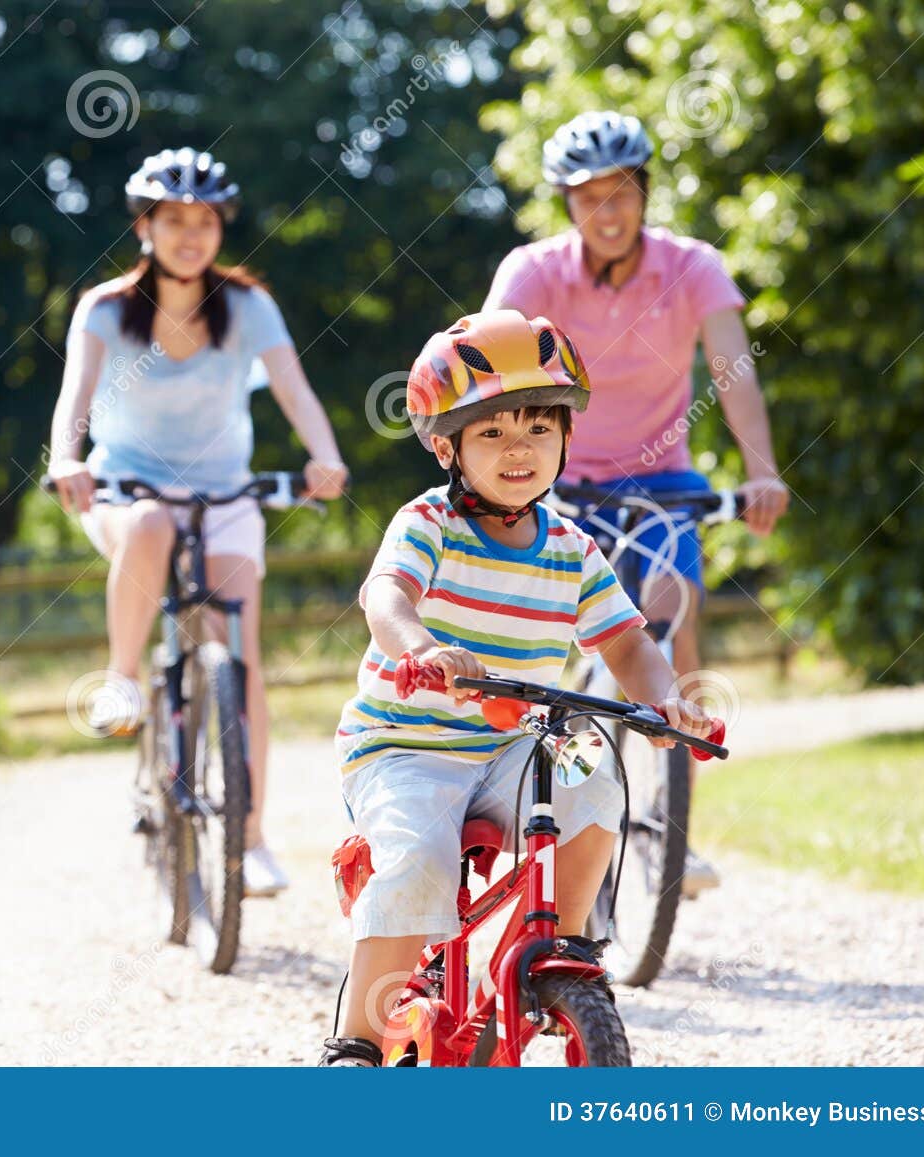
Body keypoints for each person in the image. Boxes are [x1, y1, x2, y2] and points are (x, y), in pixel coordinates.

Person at [317, 310, 713, 1066]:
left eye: (538, 427)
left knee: (595, 772)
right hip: (407, 746)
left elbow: (629, 641)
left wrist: (663, 698)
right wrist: (424, 647)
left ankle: (557, 947)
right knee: (417, 860)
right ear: (447, 447)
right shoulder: (427, 522)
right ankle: (357, 1043)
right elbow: (385, 598)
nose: (519, 448)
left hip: (511, 746)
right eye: (492, 432)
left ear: (566, 437)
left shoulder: (571, 547)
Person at [482, 110, 789, 895]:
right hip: (560, 480)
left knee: (670, 610)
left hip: (661, 483)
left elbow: (734, 374)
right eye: (589, 197)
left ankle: (673, 833)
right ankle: (557, 800)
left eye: (622, 193)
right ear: (566, 203)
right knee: (556, 647)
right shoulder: (534, 270)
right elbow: (491, 362)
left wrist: (762, 471)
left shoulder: (693, 266)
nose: (608, 212)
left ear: (645, 193)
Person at [47, 147, 348, 897]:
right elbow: (74, 396)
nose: (190, 234)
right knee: (148, 525)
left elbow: (296, 390)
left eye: (205, 221)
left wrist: (325, 455)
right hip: (126, 489)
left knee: (236, 656)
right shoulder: (107, 309)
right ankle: (121, 679)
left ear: (221, 229)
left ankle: (251, 839)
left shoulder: (247, 306)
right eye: (173, 220)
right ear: (145, 226)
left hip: (224, 494)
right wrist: (65, 458)